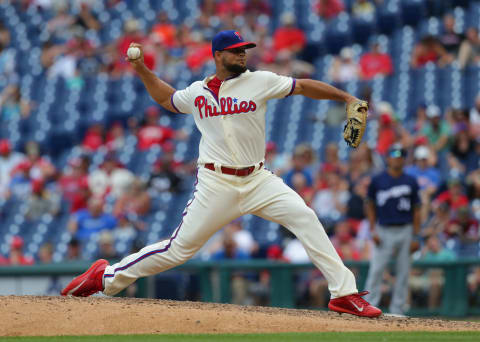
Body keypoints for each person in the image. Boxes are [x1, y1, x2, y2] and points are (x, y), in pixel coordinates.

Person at [62, 30, 381, 317]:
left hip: (259, 179)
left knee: (305, 217)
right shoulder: (197, 93)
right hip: (216, 183)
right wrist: (142, 69)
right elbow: (166, 98)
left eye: (245, 50)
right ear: (218, 55)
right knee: (178, 250)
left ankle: (344, 294)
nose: (243, 54)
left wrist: (347, 98)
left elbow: (303, 87)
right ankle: (105, 277)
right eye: (236, 50)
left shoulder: (260, 80)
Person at [364, 144, 421, 315]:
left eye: (400, 155)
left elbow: (417, 210)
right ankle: (368, 306)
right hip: (384, 229)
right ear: (388, 158)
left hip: (405, 228)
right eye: (394, 155)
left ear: (404, 159)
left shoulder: (410, 181)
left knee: (403, 272)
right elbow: (370, 205)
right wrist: (372, 230)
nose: (397, 158)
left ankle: (397, 310)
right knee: (376, 270)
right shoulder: (378, 180)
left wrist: (416, 237)